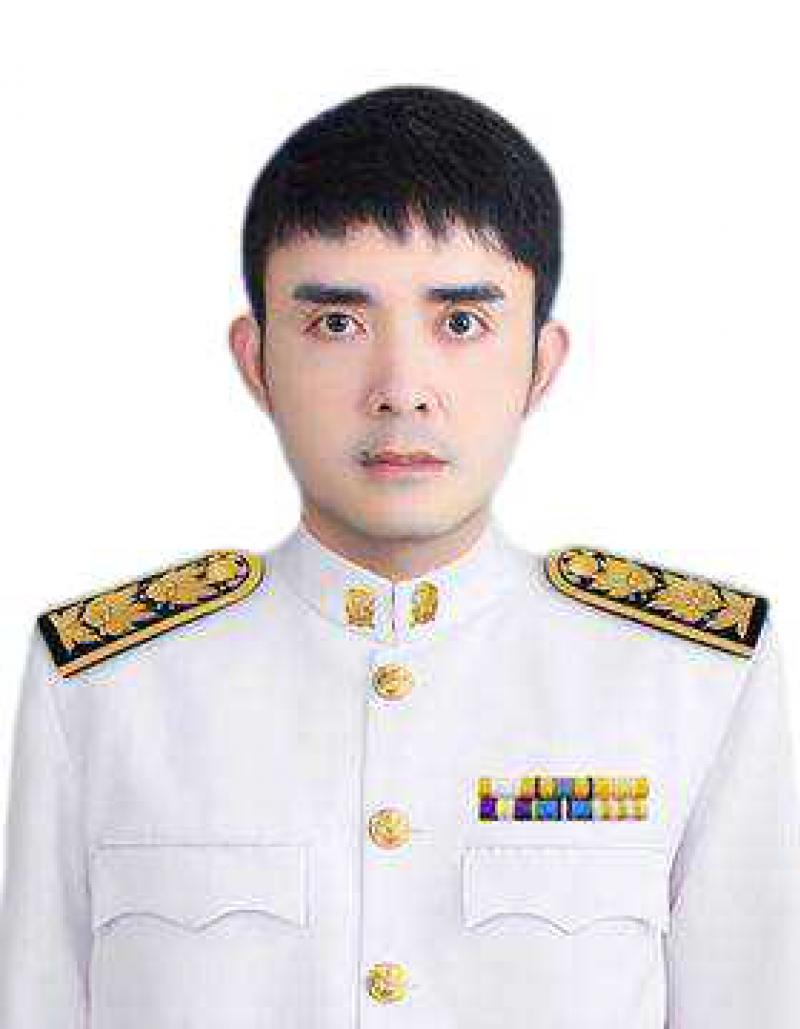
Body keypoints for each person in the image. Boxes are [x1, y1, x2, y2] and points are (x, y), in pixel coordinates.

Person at [1, 83, 798, 1029]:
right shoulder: (107, 685)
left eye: (460, 322)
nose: (402, 388)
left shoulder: (688, 681)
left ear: (540, 363)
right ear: (256, 361)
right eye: (337, 322)